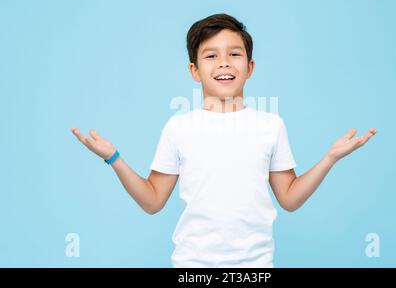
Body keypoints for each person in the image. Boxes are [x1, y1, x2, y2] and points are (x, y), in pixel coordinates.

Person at [71, 13, 377, 267]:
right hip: (193, 268)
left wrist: (329, 159)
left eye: (234, 54)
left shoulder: (270, 125)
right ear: (194, 71)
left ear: (250, 67)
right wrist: (114, 159)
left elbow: (290, 199)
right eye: (211, 56)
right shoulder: (179, 128)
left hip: (255, 268)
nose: (224, 63)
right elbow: (152, 201)